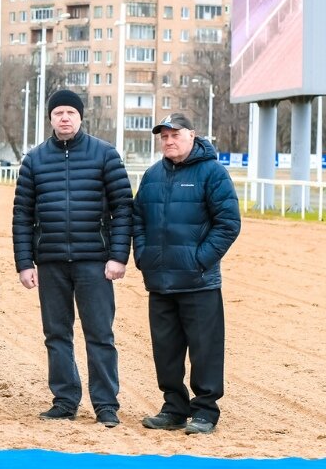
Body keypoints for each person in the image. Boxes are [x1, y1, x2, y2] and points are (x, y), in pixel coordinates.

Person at [12, 89, 132, 427]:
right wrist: (24, 262)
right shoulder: (34, 160)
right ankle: (65, 400)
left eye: (70, 113)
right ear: (49, 118)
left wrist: (118, 256)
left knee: (99, 334)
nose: (64, 118)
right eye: (58, 113)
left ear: (80, 117)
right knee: (56, 335)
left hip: (95, 261)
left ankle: (106, 404)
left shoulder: (105, 155)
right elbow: (22, 214)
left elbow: (124, 209)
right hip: (50, 262)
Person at [132, 112, 241, 435]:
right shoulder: (152, 176)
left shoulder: (212, 173)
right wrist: (144, 256)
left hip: (199, 281)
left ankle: (205, 410)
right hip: (160, 281)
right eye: (164, 136)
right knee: (165, 349)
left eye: (174, 135)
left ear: (192, 136)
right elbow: (138, 219)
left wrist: (200, 260)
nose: (168, 141)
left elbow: (228, 223)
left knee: (205, 348)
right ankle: (174, 408)